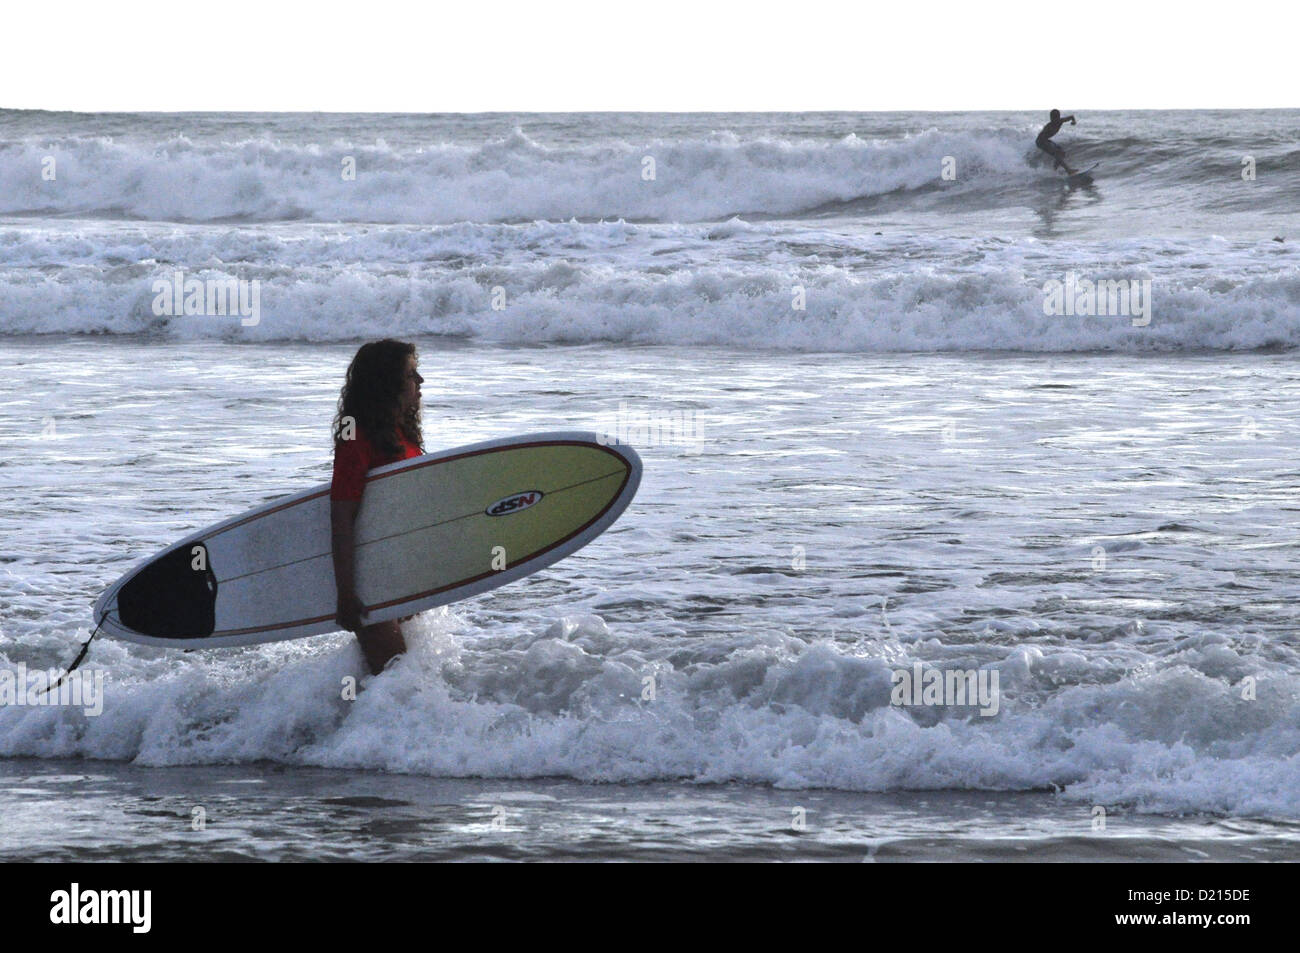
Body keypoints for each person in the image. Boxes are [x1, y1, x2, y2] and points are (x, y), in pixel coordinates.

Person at [330, 339, 424, 674]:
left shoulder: (402, 435)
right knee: (397, 682)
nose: (421, 382)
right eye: (412, 375)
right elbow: (342, 515)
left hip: (398, 574)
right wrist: (346, 593)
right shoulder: (357, 439)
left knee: (398, 682)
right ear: (388, 382)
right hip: (369, 584)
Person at [1036, 109, 1078, 175]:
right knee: (1057, 153)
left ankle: (1054, 171)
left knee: (1062, 153)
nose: (1053, 120)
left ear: (1058, 117)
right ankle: (1068, 170)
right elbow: (1042, 138)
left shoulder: (1060, 121)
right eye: (1051, 117)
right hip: (1040, 141)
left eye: (1055, 118)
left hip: (1045, 140)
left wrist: (1074, 122)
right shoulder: (1048, 126)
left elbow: (1071, 117)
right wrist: (1051, 147)